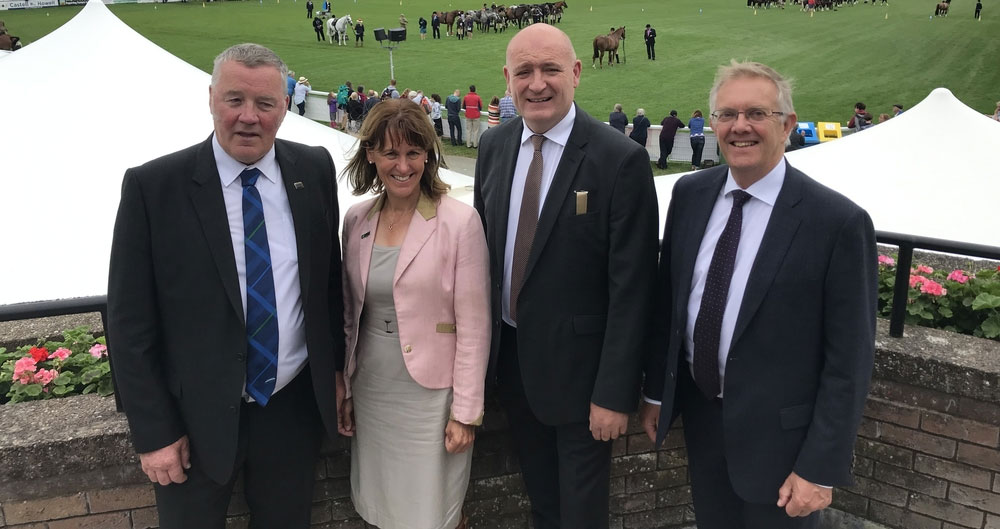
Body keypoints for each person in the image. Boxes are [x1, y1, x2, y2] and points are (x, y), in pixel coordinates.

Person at [107, 43, 345, 529]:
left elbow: (327, 285)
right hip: (192, 421)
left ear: (285, 106)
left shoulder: (314, 169)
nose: (249, 118)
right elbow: (129, 322)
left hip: (290, 409)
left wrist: (337, 371)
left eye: (265, 104)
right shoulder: (154, 187)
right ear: (211, 98)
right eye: (235, 100)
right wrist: (154, 431)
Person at [639, 60, 876, 529]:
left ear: (787, 125)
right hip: (704, 422)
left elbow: (849, 361)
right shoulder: (689, 194)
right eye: (727, 114)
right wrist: (656, 393)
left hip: (784, 447)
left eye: (756, 114)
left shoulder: (837, 223)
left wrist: (819, 466)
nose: (739, 126)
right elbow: (670, 304)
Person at [474, 23, 658, 529]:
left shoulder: (619, 160)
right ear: (507, 78)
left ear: (575, 73)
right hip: (513, 370)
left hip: (585, 384)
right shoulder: (494, 147)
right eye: (524, 71)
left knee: (580, 516)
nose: (537, 84)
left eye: (550, 69)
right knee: (542, 507)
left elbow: (633, 287)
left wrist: (615, 392)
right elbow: (486, 260)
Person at [339, 98, 490, 529]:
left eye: (413, 153)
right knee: (380, 503)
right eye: (390, 153)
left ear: (428, 154)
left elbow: (475, 328)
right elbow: (352, 316)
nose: (402, 166)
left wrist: (465, 413)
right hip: (372, 389)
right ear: (371, 155)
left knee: (433, 510)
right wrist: (346, 388)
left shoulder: (459, 222)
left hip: (432, 398)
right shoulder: (356, 220)